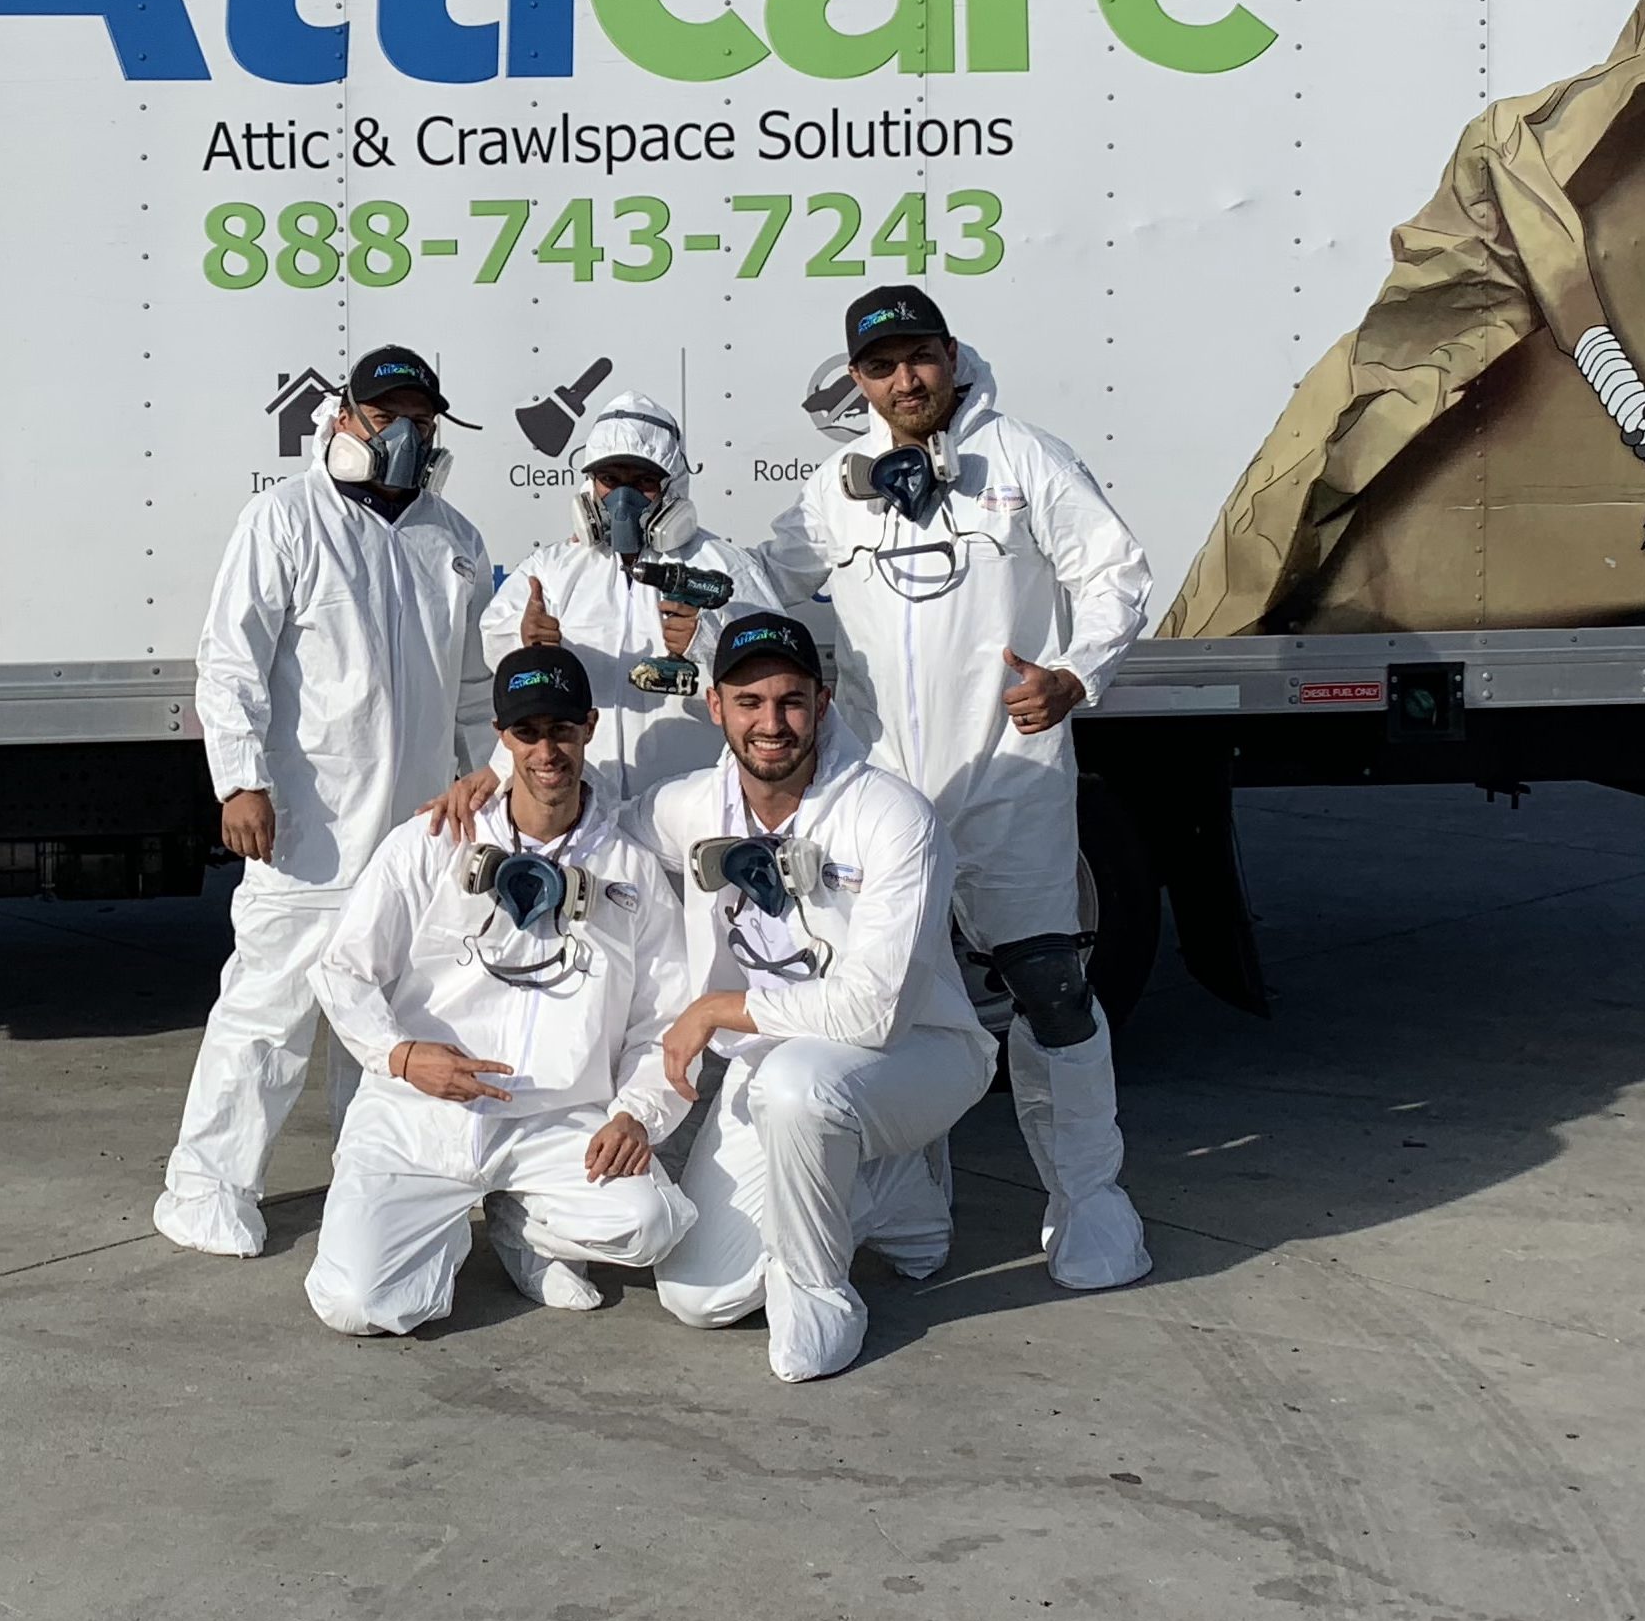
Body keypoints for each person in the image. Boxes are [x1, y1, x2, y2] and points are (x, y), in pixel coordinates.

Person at [770, 286, 1154, 1291]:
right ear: (858, 380)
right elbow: (759, 578)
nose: (906, 381)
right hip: (884, 798)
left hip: (1011, 783)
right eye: (883, 366)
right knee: (879, 1002)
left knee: (1051, 989)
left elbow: (1116, 569)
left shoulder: (1023, 459)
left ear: (952, 355)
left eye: (921, 358)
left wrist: (1075, 675)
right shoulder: (833, 491)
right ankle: (904, 1197)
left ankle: (1090, 1203)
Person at [156, 343, 495, 1259]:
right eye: (385, 416)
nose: (401, 435)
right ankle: (206, 1187)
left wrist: (486, 785)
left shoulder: (453, 539)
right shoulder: (285, 519)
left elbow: (472, 691)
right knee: (268, 1016)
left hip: (420, 834)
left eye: (419, 421)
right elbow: (233, 662)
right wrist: (241, 780)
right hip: (307, 831)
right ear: (343, 417)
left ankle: (376, 1175)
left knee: (394, 1016)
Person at [643, 611, 997, 1383]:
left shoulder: (893, 817)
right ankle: (893, 1189)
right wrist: (492, 784)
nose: (772, 724)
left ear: (823, 703)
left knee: (797, 1086)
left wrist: (712, 1011)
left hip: (917, 1055)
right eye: (750, 703)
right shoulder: (688, 807)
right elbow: (591, 822)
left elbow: (873, 1013)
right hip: (771, 1066)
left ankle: (821, 1299)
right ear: (715, 707)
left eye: (791, 702)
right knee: (698, 1298)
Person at [304, 644, 698, 1336]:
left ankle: (526, 1224)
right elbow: (341, 969)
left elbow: (661, 1017)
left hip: (555, 1119)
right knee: (359, 1306)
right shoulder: (433, 840)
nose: (547, 750)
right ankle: (440, 1222)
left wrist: (637, 1112)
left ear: (591, 727)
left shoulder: (626, 867)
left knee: (650, 1225)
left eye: (563, 729)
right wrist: (399, 1056)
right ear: (501, 737)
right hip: (421, 1113)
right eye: (528, 732)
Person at [479, 392, 790, 810]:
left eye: (643, 482)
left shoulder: (724, 567)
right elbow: (492, 642)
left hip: (694, 804)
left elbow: (780, 674)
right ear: (590, 484)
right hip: (583, 809)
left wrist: (707, 642)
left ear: (672, 485)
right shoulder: (552, 569)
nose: (622, 499)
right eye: (610, 480)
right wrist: (523, 637)